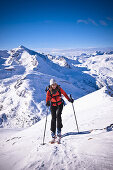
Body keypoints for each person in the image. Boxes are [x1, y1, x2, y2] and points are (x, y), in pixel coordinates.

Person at [46, 78, 74, 143]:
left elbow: (64, 94)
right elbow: (47, 97)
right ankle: (53, 132)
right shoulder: (49, 91)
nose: (54, 85)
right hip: (53, 105)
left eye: (55, 84)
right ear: (51, 85)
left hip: (59, 104)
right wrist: (47, 102)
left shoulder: (59, 89)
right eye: (53, 85)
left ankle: (59, 131)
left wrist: (69, 100)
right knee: (53, 118)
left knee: (58, 116)